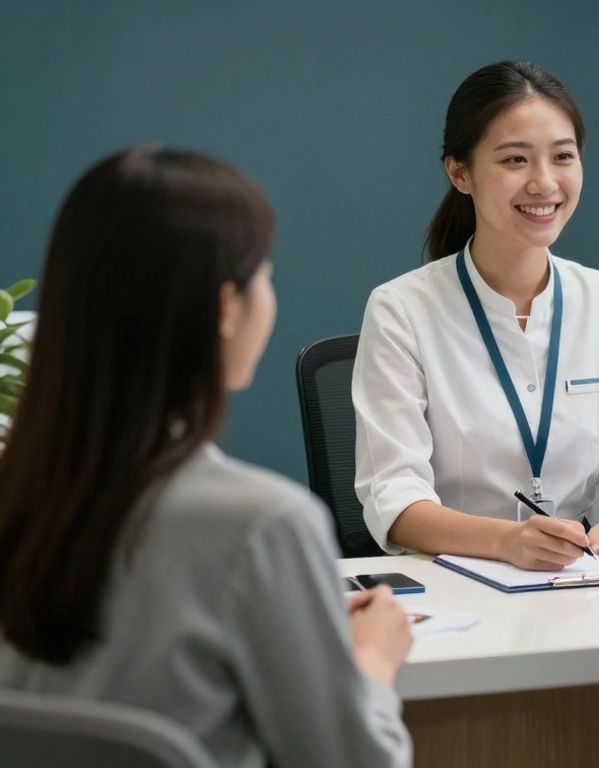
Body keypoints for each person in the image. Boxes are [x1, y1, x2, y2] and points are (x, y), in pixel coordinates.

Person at [0, 146, 413, 768]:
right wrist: (372, 663)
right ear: (226, 308)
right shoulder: (263, 524)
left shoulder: (20, 494)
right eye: (265, 275)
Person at [353, 61, 599, 569]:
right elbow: (394, 496)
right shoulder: (402, 310)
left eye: (563, 157)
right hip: (452, 584)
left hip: (578, 577)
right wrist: (508, 541)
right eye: (515, 160)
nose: (544, 183)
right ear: (460, 173)